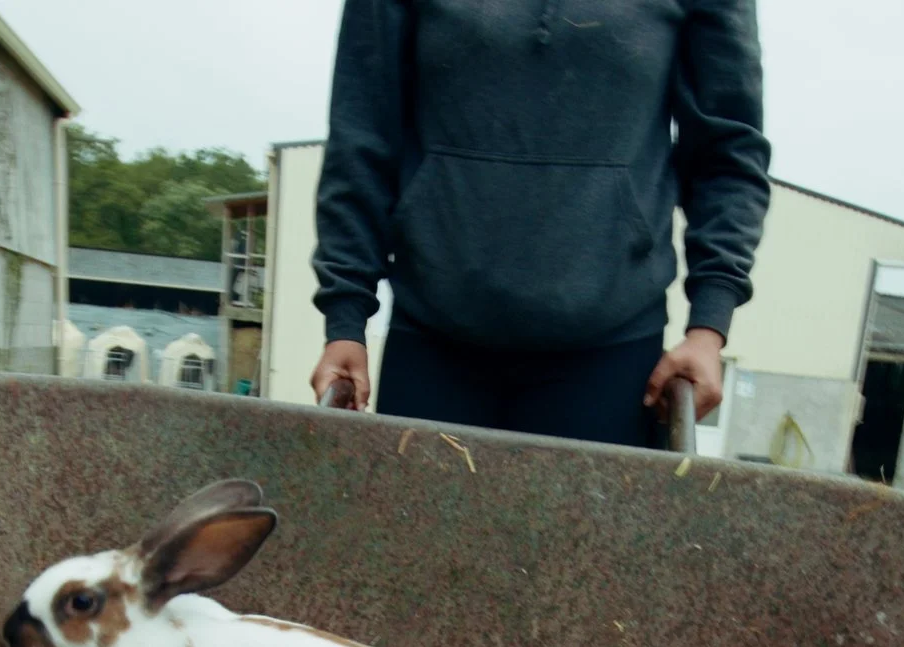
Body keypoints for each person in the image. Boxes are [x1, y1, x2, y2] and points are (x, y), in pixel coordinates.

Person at [308, 0, 771, 447]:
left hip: (611, 354)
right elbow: (362, 137)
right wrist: (345, 320)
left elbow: (727, 153)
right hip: (433, 341)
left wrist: (708, 328)